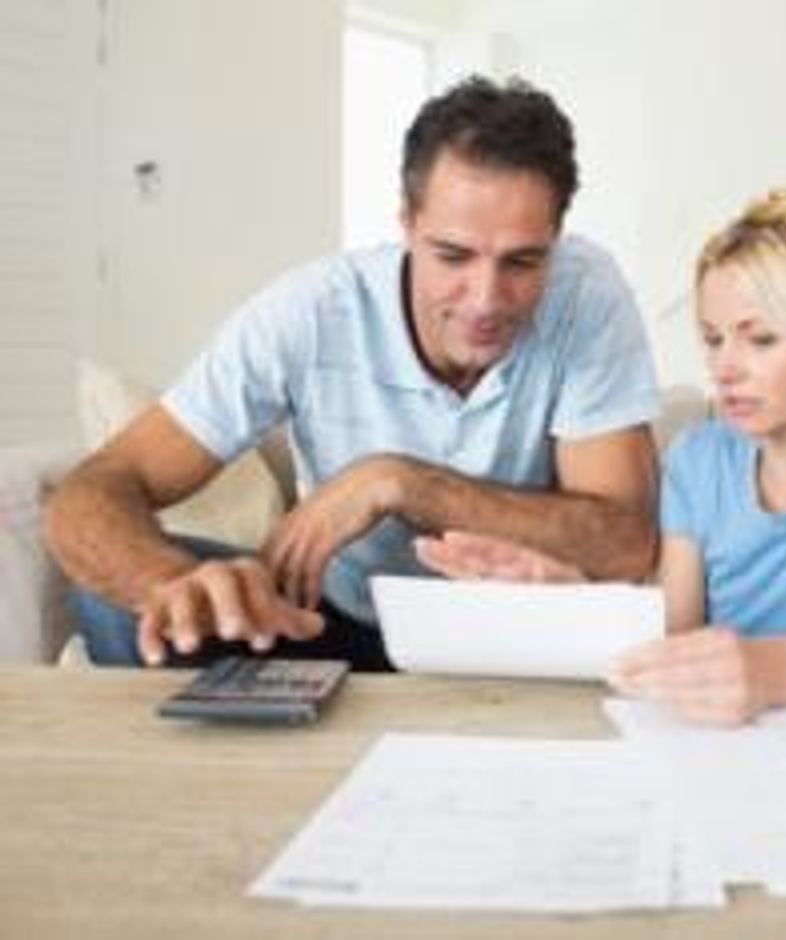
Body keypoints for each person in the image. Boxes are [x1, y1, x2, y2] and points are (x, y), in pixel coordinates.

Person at [43, 75, 660, 671]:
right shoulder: (310, 312)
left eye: (523, 261)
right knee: (115, 597)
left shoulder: (586, 295)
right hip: (331, 630)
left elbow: (627, 544)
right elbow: (93, 491)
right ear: (407, 226)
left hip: (512, 639)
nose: (485, 300)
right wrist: (169, 585)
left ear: (556, 238)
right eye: (453, 256)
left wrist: (403, 483)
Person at [417, 188, 786, 724]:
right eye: (713, 338)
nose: (724, 368)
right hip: (740, 756)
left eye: (760, 339)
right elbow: (668, 635)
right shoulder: (697, 461)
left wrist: (774, 675)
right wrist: (570, 595)